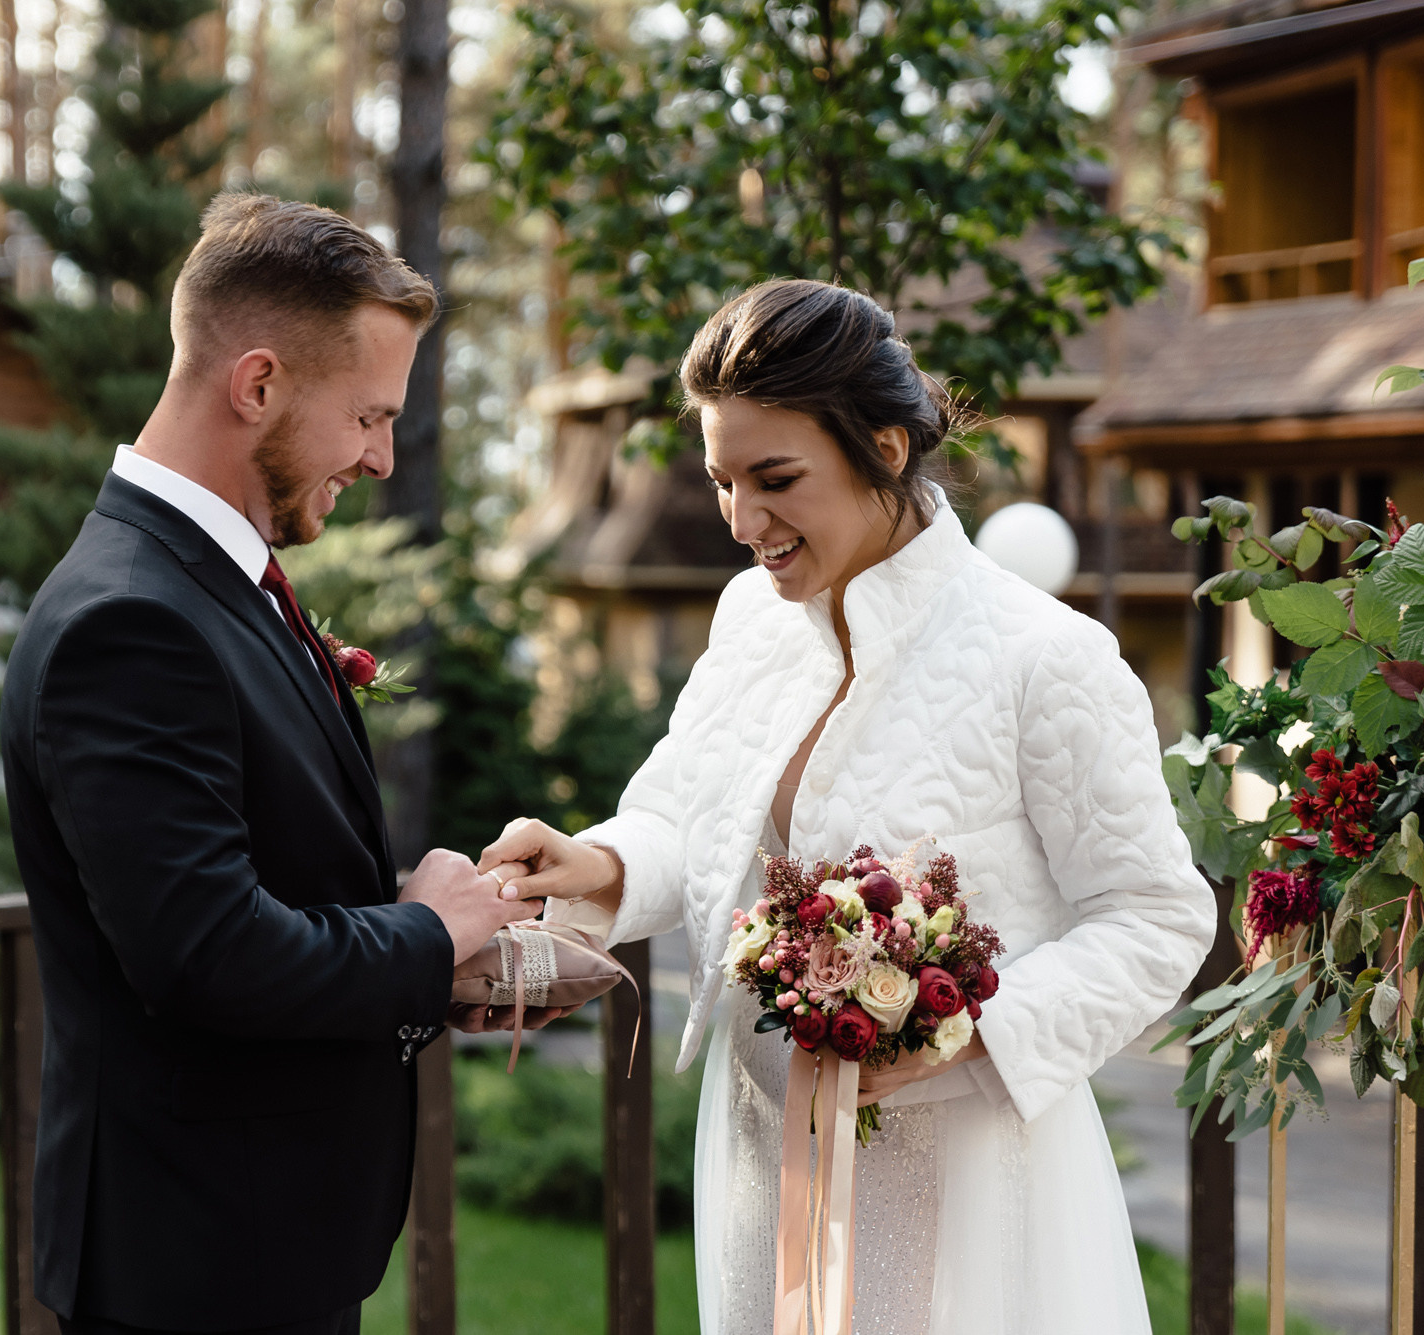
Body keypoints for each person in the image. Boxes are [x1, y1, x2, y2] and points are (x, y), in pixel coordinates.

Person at [480, 279, 1216, 1333]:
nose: (741, 521)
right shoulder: (748, 620)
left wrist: (960, 1032)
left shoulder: (1044, 657)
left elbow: (1156, 918)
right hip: (760, 1151)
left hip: (968, 1176)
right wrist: (592, 863)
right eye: (720, 481)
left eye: (773, 478)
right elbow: (684, 815)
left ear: (882, 446)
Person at [0, 193, 540, 1335]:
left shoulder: (204, 582)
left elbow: (266, 889)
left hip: (260, 1248)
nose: (384, 457)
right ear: (256, 385)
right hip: (195, 1271)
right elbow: (206, 954)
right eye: (368, 416)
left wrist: (430, 969)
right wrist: (427, 931)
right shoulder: (130, 619)